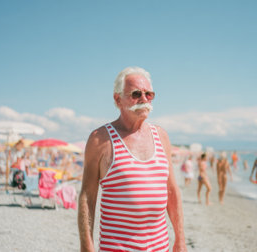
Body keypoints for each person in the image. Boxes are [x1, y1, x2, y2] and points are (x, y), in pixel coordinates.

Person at [78, 67, 186, 252]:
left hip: (160, 248)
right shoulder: (100, 140)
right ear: (117, 99)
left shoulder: (161, 136)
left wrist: (180, 240)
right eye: (136, 94)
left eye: (149, 94)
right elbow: (88, 197)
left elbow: (171, 191)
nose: (144, 99)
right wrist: (87, 246)